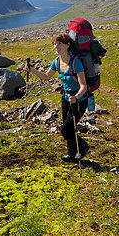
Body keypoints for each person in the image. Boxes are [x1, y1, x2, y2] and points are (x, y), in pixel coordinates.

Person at [25, 33, 90, 162]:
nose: (56, 46)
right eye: (55, 44)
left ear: (67, 45)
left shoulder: (76, 62)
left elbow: (84, 86)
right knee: (68, 129)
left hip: (79, 101)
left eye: (59, 43)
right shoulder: (57, 61)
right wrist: (32, 70)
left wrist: (76, 97)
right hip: (65, 99)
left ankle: (83, 147)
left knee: (66, 130)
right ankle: (72, 154)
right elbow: (46, 77)